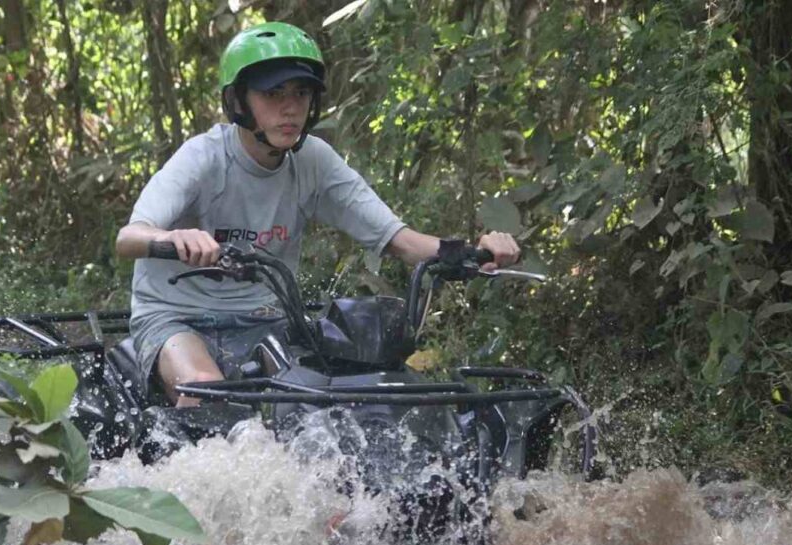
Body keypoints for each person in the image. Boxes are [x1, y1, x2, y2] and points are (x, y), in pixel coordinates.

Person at [115, 21, 520, 406]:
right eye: (274, 94)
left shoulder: (313, 161)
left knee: (324, 399)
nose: (290, 108)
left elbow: (399, 240)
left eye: (301, 94)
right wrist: (171, 238)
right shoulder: (204, 158)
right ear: (238, 101)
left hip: (264, 319)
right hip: (175, 318)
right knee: (206, 391)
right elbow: (130, 237)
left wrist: (474, 254)